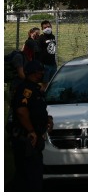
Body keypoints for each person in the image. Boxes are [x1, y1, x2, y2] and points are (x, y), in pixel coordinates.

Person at [10, 61, 51, 191]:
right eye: (40, 71)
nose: (42, 73)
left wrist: (47, 119)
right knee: (30, 176)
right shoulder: (26, 89)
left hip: (34, 139)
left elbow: (36, 110)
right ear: (34, 73)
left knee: (32, 174)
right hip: (27, 139)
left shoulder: (35, 89)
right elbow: (22, 111)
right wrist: (31, 131)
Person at [36, 20, 57, 88]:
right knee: (45, 84)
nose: (47, 28)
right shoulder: (41, 38)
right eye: (45, 27)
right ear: (42, 29)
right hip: (45, 65)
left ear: (51, 26)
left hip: (53, 64)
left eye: (48, 26)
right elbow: (38, 52)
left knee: (53, 82)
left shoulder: (53, 36)